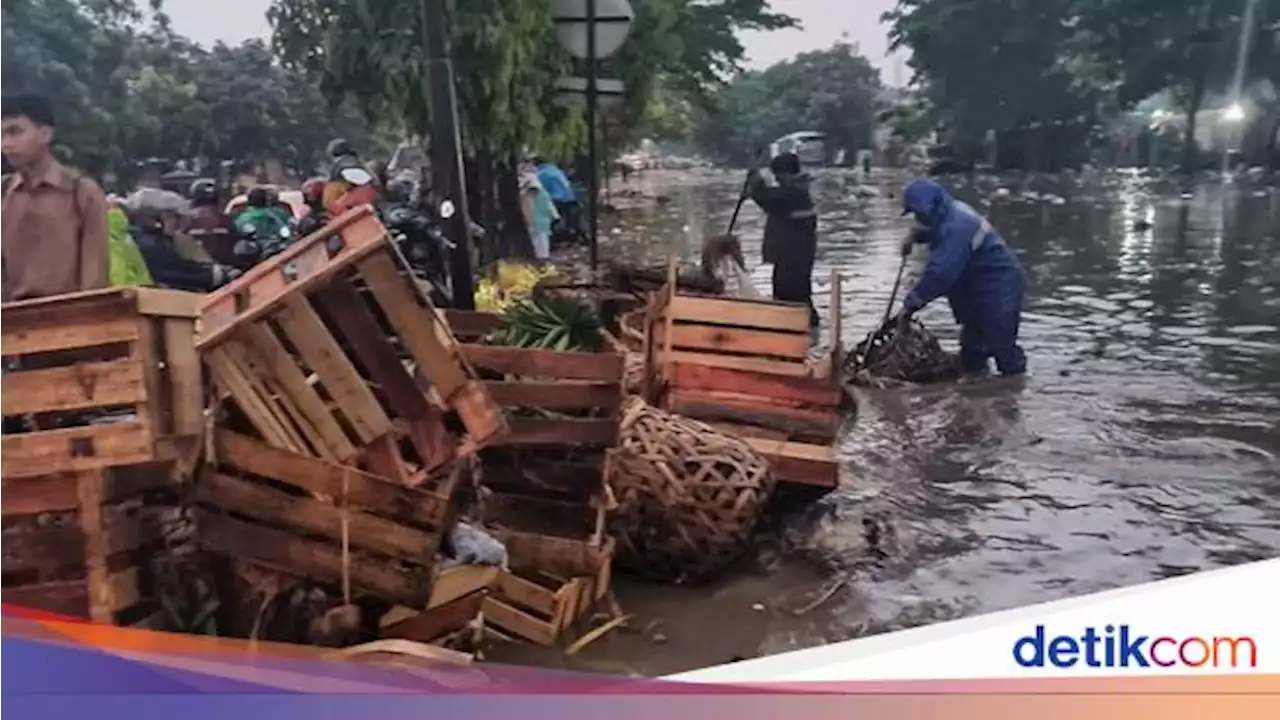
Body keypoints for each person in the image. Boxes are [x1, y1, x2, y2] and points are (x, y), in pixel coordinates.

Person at [896, 178, 1027, 377]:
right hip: (976, 286)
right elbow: (941, 234)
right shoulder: (951, 213)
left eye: (918, 212)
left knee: (1002, 346)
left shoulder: (957, 226)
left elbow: (940, 274)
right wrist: (918, 236)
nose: (917, 217)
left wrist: (911, 304)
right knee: (972, 349)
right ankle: (980, 394)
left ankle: (1015, 392)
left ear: (929, 207)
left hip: (999, 285)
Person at [0, 94, 109, 302]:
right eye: (1, 135)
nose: (5, 144)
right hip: (13, 321)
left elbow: (94, 274)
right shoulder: (4, 192)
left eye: (15, 132)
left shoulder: (82, 192)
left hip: (68, 317)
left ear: (45, 133)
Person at [747, 151, 819, 327]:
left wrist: (755, 182)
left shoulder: (794, 192)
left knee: (792, 293)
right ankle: (803, 327)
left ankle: (799, 329)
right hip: (792, 253)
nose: (777, 180)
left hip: (794, 255)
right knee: (792, 293)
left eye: (779, 176)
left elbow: (769, 199)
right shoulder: (797, 189)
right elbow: (771, 199)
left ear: (788, 174)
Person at [124, 189, 238, 293]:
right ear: (156, 219)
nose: (176, 223)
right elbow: (177, 272)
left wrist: (213, 270)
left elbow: (181, 265)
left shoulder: (148, 239)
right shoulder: (151, 245)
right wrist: (216, 275)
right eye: (172, 217)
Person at [234, 186, 295, 264]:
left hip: (267, 249)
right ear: (266, 201)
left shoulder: (242, 218)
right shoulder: (273, 214)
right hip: (262, 250)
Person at [533, 156, 582, 242]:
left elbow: (539, 190)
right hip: (570, 197)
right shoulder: (555, 170)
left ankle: (551, 240)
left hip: (556, 199)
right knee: (572, 220)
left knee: (547, 218)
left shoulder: (540, 173)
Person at [518, 162, 559, 262]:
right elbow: (528, 205)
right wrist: (531, 222)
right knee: (541, 252)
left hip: (540, 222)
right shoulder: (532, 184)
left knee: (541, 249)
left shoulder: (531, 185)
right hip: (537, 222)